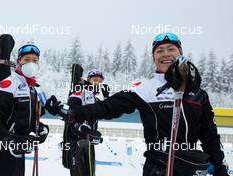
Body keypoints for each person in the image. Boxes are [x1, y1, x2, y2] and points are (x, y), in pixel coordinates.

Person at [45, 33, 229, 176]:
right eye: (160, 50)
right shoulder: (144, 89)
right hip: (158, 167)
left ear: (180, 53)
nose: (165, 54)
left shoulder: (198, 94)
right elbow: (108, 106)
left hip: (191, 167)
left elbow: (209, 134)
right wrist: (72, 113)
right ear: (153, 57)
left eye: (171, 49)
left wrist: (219, 166)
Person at [0, 37, 49, 176]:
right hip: (0, 153)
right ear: (19, 62)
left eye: (35, 60)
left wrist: (40, 129)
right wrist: (9, 139)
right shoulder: (9, 84)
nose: (31, 63)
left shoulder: (32, 89)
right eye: (27, 59)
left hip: (18, 153)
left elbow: (25, 121)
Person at [61, 68, 105, 176]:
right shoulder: (78, 93)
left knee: (89, 172)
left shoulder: (95, 97)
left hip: (89, 141)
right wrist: (79, 129)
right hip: (77, 140)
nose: (98, 83)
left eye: (100, 81)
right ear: (88, 80)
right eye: (95, 80)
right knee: (78, 172)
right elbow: (70, 117)